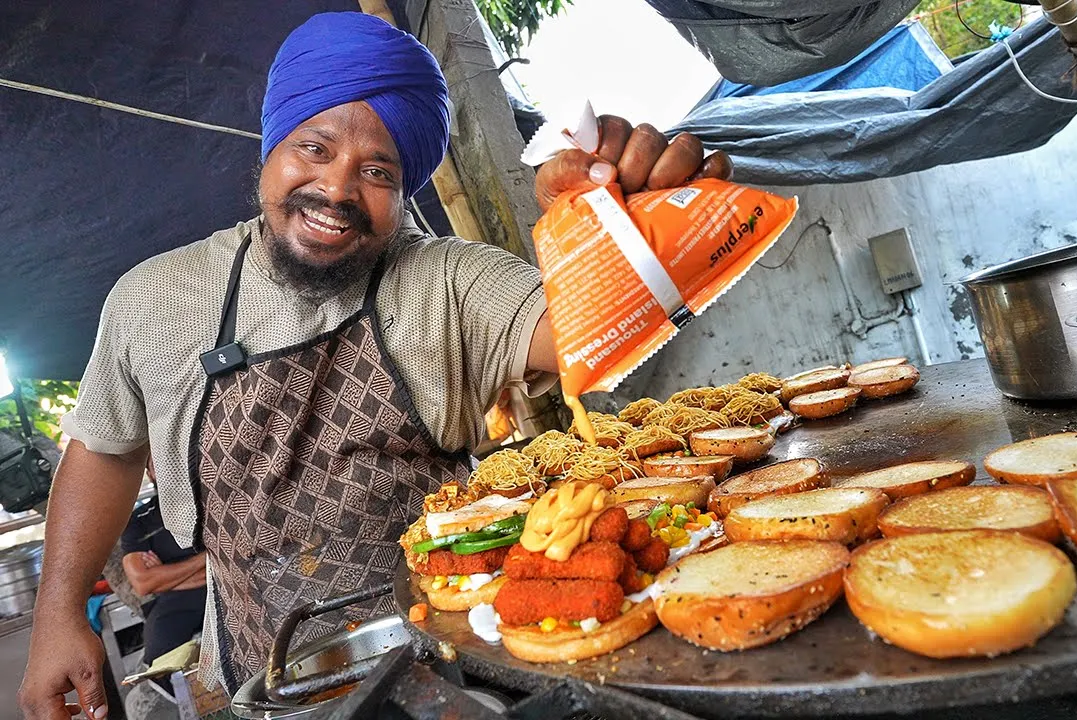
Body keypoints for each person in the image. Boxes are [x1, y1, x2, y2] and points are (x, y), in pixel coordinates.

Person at [19, 11, 729, 720]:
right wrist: (57, 614)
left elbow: (589, 332)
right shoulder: (155, 299)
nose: (336, 189)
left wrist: (617, 229)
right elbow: (104, 450)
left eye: (378, 170)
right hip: (262, 678)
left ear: (406, 186)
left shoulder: (447, 281)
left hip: (455, 665)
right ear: (270, 147)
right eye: (314, 148)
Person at [120, 459, 207, 680]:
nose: (166, 465)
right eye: (156, 462)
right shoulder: (138, 522)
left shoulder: (209, 501)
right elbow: (143, 583)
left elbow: (233, 558)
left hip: (227, 588)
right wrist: (207, 557)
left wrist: (166, 577)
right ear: (149, 473)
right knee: (160, 660)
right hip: (175, 604)